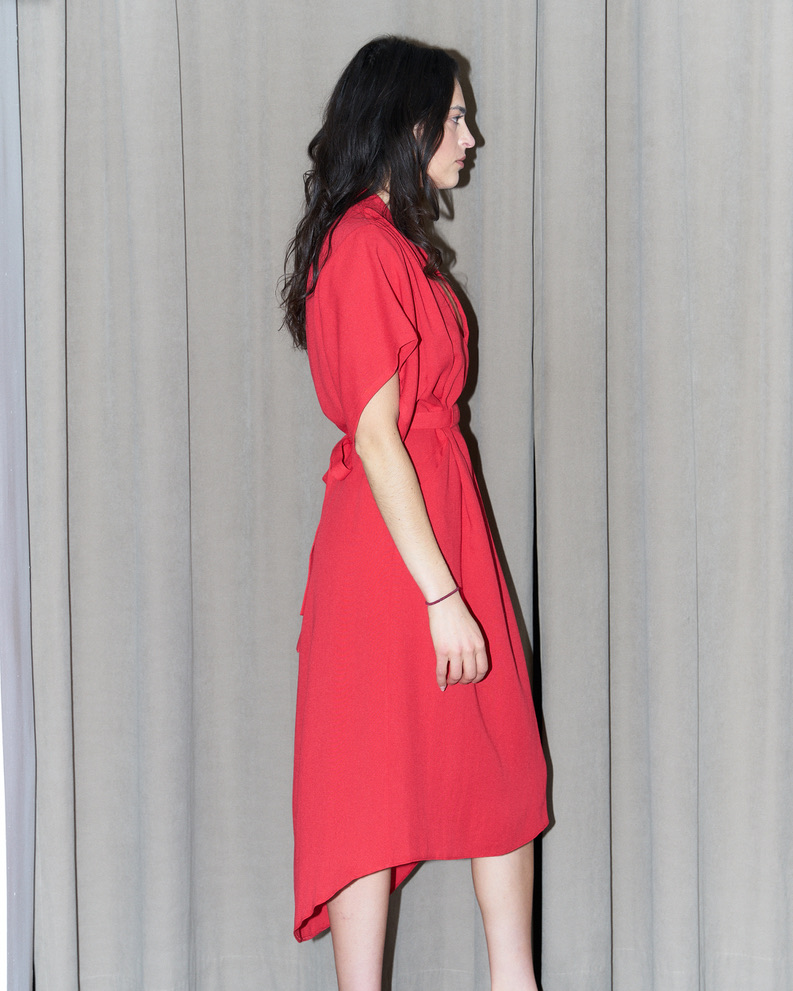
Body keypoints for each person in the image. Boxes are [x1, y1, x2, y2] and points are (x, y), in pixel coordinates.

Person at [281, 36, 548, 991]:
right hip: (394, 552)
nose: (470, 138)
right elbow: (377, 434)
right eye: (457, 118)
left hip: (442, 524)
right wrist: (440, 595)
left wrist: (452, 582)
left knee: (501, 766)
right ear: (409, 123)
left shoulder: (395, 243)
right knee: (369, 783)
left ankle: (514, 980)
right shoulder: (359, 245)